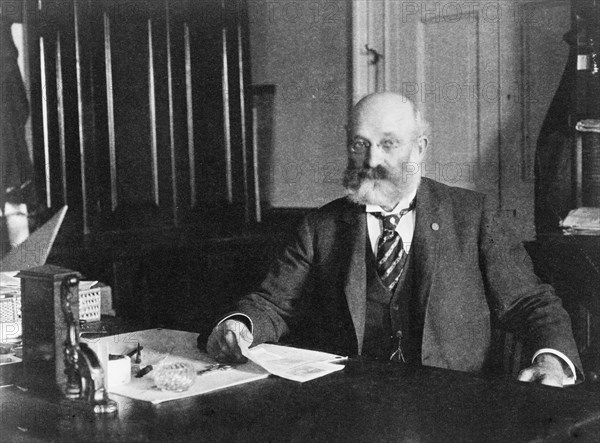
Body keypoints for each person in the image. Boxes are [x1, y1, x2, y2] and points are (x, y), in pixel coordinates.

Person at [206, 92, 582, 387]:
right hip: (349, 402)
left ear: (419, 149)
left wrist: (550, 360)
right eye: (360, 144)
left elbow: (531, 304)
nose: (371, 160)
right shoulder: (320, 226)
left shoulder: (473, 216)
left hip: (454, 406)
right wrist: (241, 324)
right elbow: (273, 303)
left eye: (388, 144)